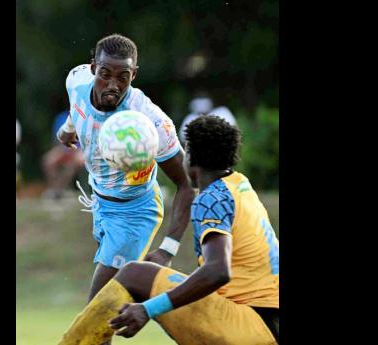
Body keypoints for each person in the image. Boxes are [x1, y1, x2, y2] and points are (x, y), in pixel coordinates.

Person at [58, 115, 279, 345]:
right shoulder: (239, 184)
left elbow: (218, 271)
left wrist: (148, 309)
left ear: (191, 156)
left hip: (251, 325)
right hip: (266, 320)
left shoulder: (212, 198)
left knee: (135, 274)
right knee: (146, 274)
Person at [56, 34, 195, 311]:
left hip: (135, 213)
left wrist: (168, 248)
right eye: (105, 74)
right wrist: (68, 129)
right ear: (93, 67)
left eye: (123, 77)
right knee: (109, 313)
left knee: (98, 308)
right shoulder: (77, 79)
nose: (113, 85)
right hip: (101, 203)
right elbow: (77, 103)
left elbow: (187, 184)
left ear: (134, 75)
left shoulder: (150, 121)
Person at [42, 110, 85, 200]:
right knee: (49, 161)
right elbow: (57, 139)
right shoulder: (61, 118)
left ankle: (61, 190)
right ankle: (54, 190)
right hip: (64, 148)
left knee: (71, 165)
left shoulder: (83, 118)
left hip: (79, 149)